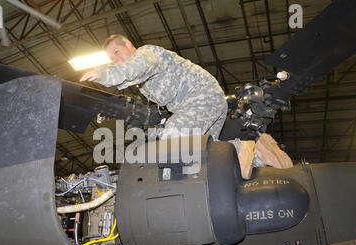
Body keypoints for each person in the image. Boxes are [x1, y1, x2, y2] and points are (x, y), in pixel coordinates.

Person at [80, 34, 292, 179]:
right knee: (208, 156)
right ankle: (260, 152)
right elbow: (131, 76)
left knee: (172, 137)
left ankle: (241, 147)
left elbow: (138, 67)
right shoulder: (140, 79)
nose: (115, 59)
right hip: (205, 104)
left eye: (117, 52)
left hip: (201, 97)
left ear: (129, 45)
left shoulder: (146, 53)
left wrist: (105, 73)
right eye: (111, 58)